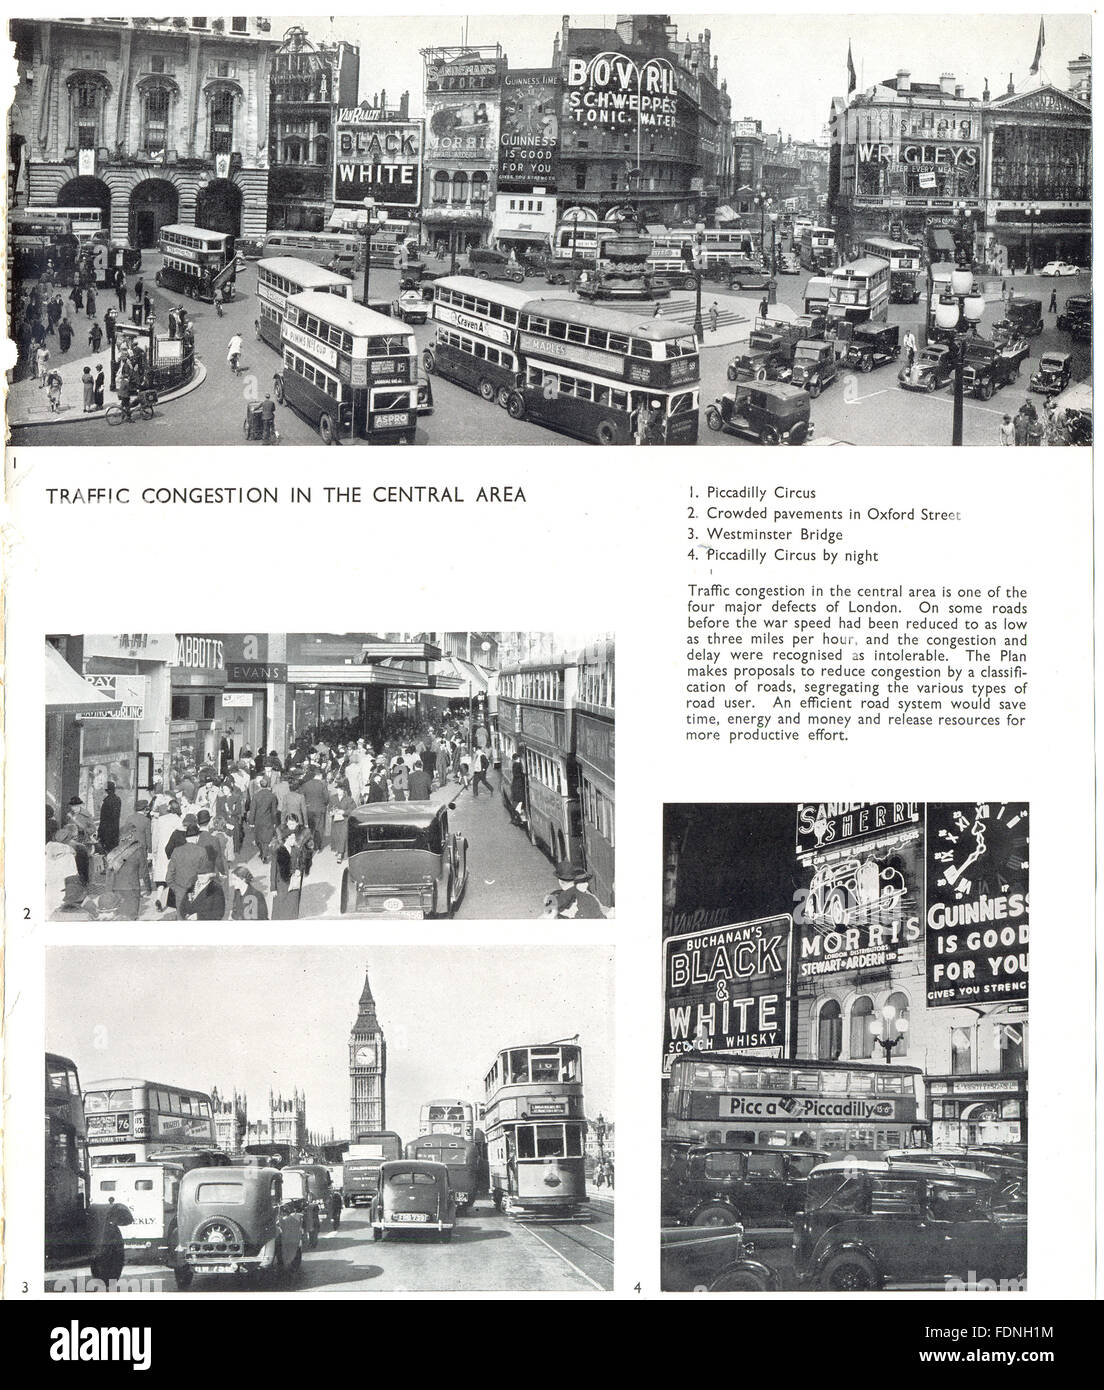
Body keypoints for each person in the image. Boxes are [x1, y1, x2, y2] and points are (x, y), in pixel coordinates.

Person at [97, 780, 122, 852]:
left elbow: (103, 819)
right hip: (115, 830)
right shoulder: (118, 799)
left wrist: (100, 833)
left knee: (106, 851)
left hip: (106, 831)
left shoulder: (106, 801)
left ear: (106, 791)